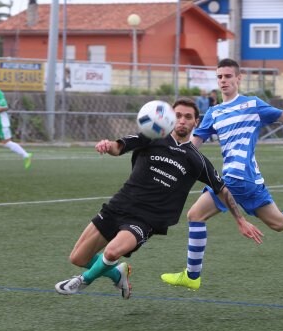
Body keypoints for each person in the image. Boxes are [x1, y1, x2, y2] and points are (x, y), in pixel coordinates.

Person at [161, 58, 283, 290]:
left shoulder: (252, 104)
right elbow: (193, 146)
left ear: (239, 78)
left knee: (195, 215)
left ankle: (192, 276)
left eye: (228, 76)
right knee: (280, 223)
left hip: (236, 176)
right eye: (219, 77)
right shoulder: (214, 113)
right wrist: (172, 149)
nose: (223, 81)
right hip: (250, 180)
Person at [54, 98, 263, 296]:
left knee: (111, 252)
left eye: (188, 117)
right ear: (171, 117)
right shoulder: (150, 137)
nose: (182, 120)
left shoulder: (196, 159)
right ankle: (118, 274)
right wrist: (107, 146)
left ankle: (82, 281)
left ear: (195, 122)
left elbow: (222, 189)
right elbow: (119, 147)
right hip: (119, 205)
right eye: (178, 115)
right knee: (78, 257)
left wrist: (240, 219)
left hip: (145, 220)